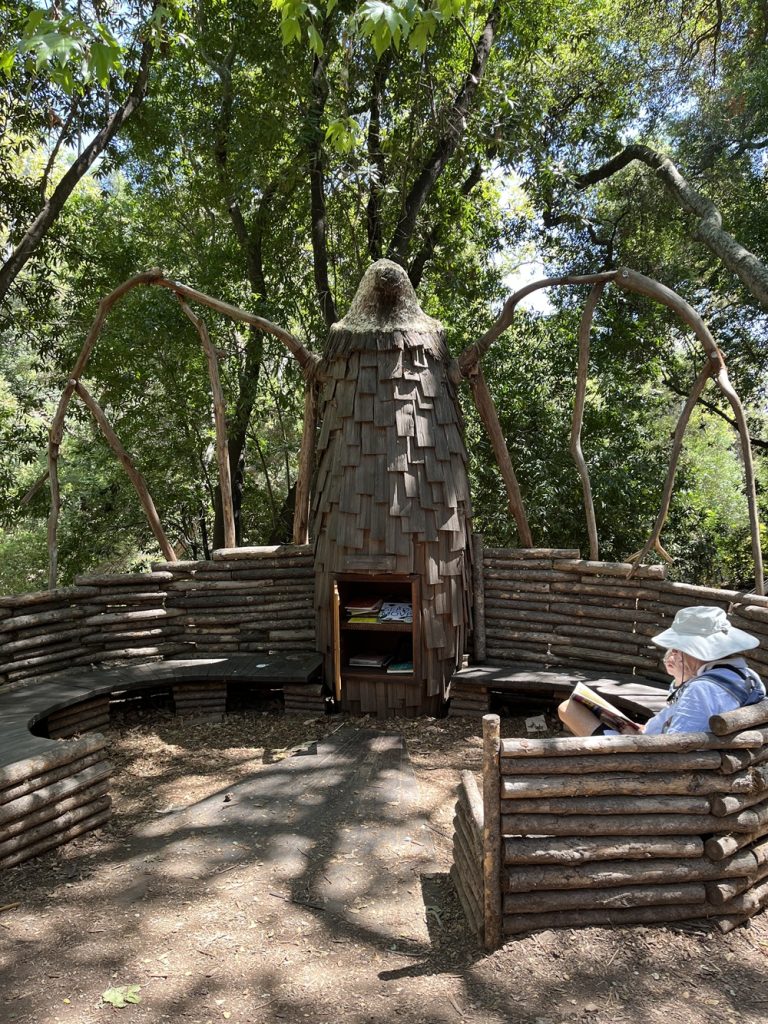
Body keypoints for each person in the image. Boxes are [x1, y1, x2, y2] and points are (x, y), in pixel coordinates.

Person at [558, 605, 766, 736]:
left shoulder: (701, 690)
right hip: (667, 744)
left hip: (658, 765)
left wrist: (637, 739)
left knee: (569, 709)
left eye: (678, 648)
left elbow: (675, 749)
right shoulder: (748, 677)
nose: (674, 653)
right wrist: (646, 728)